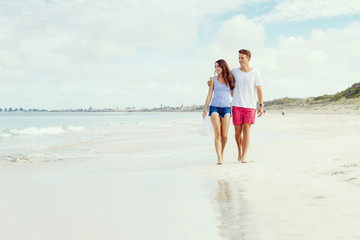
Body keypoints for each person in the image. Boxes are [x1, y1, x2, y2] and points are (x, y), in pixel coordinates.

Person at [232, 49, 263, 163]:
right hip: (236, 105)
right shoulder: (234, 71)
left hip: (250, 106)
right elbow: (226, 81)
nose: (240, 60)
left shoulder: (255, 73)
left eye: (242, 58)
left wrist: (261, 105)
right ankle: (239, 150)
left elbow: (259, 90)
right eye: (239, 58)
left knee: (246, 130)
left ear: (248, 59)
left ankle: (244, 155)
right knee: (237, 132)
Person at [203, 59, 235, 165]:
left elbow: (233, 94)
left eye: (219, 66)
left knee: (224, 135)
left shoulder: (230, 79)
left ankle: (221, 153)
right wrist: (205, 109)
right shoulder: (212, 79)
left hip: (226, 108)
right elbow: (209, 95)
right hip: (214, 107)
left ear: (223, 67)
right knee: (217, 134)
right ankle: (219, 158)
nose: (217, 68)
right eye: (215, 66)